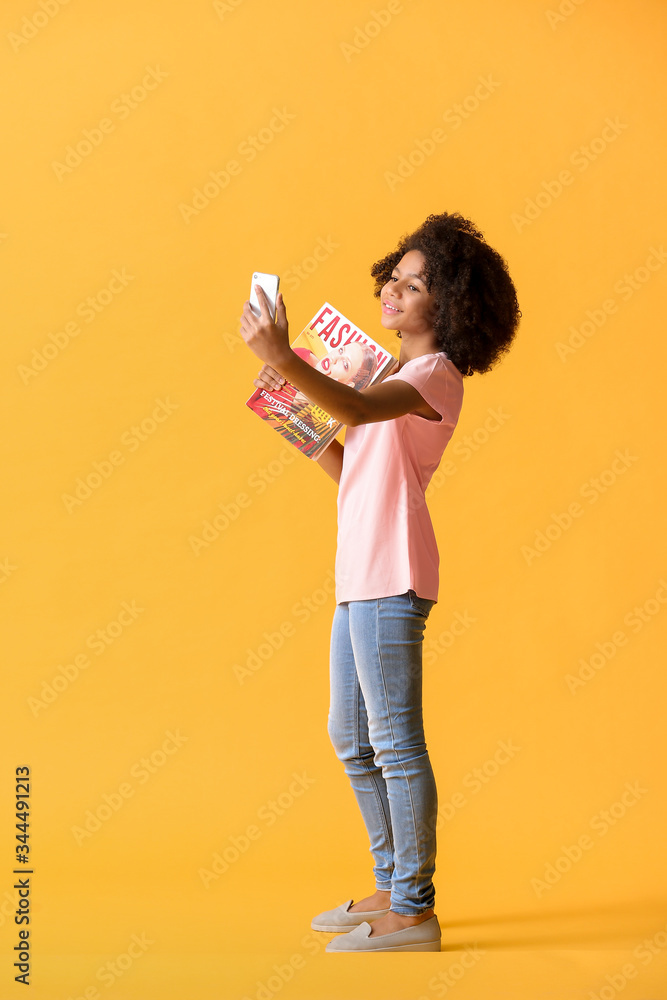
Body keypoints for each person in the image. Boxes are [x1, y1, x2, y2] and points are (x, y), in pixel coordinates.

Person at [239, 211, 521, 952]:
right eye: (392, 277)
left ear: (449, 304)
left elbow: (359, 410)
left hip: (393, 571)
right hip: (360, 572)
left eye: (414, 283)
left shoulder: (434, 377)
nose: (393, 291)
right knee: (349, 736)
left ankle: (414, 909)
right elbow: (350, 468)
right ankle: (392, 882)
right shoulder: (387, 376)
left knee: (394, 742)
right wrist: (295, 418)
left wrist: (286, 359)